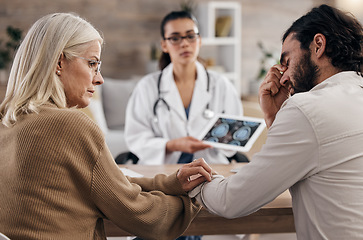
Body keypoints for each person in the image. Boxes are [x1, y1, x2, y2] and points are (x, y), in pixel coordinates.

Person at [0, 13, 214, 240]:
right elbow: (140, 215)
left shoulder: (7, 121)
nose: (99, 78)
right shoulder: (70, 125)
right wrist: (192, 199)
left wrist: (170, 184)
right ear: (59, 62)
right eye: (92, 63)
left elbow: (105, 183)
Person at [189, 4, 363, 239]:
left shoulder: (307, 109)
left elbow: (231, 201)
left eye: (287, 61)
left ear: (318, 45)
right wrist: (276, 118)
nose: (285, 76)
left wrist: (195, 180)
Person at [125, 11, 244, 165]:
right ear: (164, 45)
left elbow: (235, 139)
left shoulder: (221, 85)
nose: (184, 43)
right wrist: (172, 145)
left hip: (211, 169)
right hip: (161, 172)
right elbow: (135, 137)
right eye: (175, 38)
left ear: (199, 40)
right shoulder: (147, 87)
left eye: (190, 36)